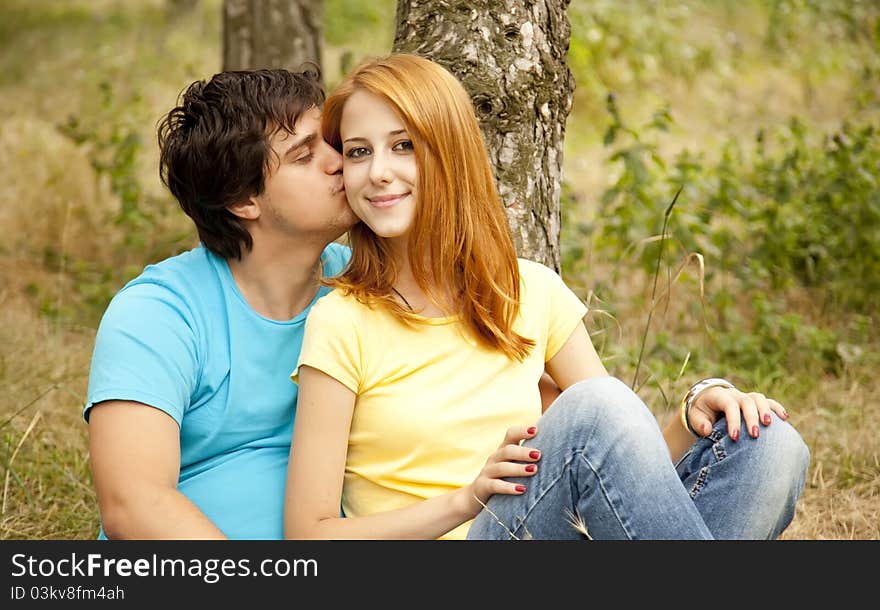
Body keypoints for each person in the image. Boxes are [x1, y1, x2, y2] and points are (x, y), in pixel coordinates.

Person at [283, 53, 810, 540]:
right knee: (592, 407)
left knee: (768, 445)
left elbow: (625, 474)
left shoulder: (529, 290)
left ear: (450, 154)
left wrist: (695, 413)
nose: (378, 171)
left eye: (403, 146)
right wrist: (465, 501)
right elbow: (310, 534)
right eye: (358, 152)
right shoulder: (342, 321)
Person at [84, 67, 358, 539]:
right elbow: (133, 505)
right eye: (302, 155)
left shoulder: (362, 284)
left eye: (330, 143)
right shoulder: (159, 314)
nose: (339, 162)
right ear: (243, 199)